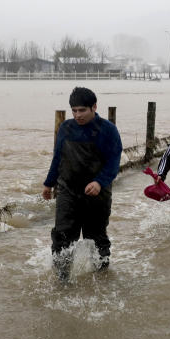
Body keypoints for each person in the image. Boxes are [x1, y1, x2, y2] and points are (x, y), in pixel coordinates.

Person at [43, 87, 123, 280]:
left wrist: (99, 182)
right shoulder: (66, 128)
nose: (77, 115)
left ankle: (101, 278)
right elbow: (58, 158)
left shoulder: (108, 130)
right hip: (67, 190)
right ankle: (62, 281)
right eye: (74, 111)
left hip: (97, 194)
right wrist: (49, 183)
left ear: (94, 107)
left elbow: (114, 162)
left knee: (96, 238)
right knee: (62, 236)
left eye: (82, 110)